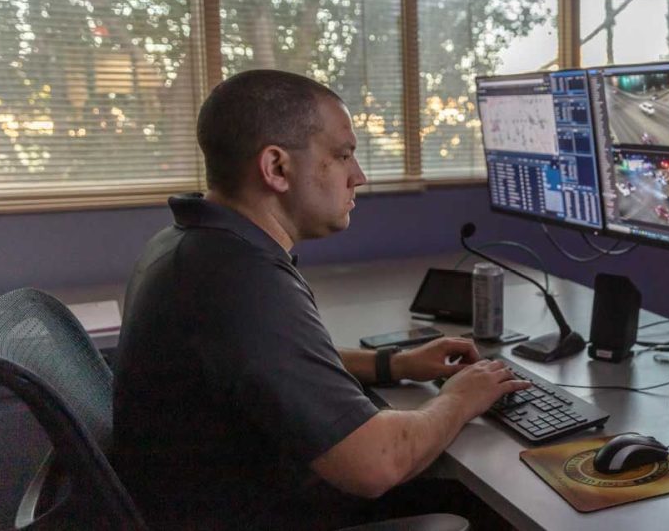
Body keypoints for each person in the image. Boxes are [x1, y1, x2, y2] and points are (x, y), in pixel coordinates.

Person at [111, 70, 530, 530]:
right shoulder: (240, 281)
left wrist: (396, 365)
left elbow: (271, 365)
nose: (359, 176)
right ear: (277, 168)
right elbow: (377, 464)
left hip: (220, 501)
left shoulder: (190, 245)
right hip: (258, 515)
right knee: (493, 503)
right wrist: (460, 398)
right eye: (343, 155)